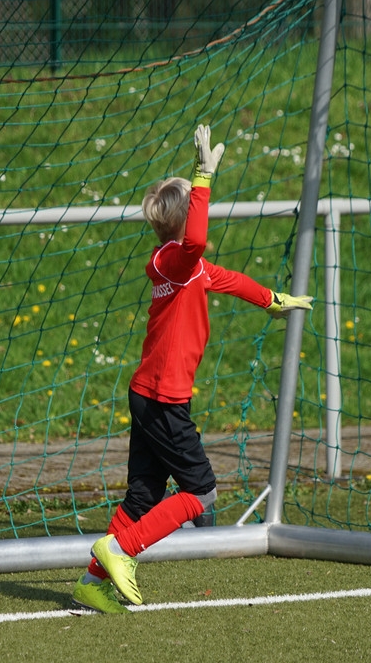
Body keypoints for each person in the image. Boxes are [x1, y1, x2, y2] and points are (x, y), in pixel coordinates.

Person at [71, 124, 313, 614]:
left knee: (142, 498)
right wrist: (204, 177)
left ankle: (91, 582)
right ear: (186, 217)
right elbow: (198, 241)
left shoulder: (188, 267)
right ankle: (121, 550)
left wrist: (273, 300)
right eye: (199, 205)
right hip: (163, 399)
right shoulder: (177, 261)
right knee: (202, 491)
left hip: (150, 394)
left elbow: (231, 279)